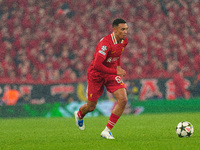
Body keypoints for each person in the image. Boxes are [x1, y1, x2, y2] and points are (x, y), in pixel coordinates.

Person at [74, 18, 128, 139]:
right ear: (114, 30)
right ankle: (79, 114)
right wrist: (116, 71)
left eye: (126, 29)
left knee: (123, 99)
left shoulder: (124, 41)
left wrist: (117, 67)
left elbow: (117, 54)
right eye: (122, 29)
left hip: (111, 74)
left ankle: (107, 130)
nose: (125, 32)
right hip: (96, 75)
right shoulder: (105, 44)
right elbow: (97, 65)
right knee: (91, 107)